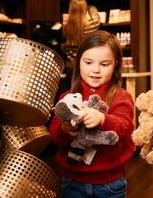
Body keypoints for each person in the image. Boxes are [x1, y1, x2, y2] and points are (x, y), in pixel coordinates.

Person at [48, 30, 135, 197]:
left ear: (116, 64)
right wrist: (66, 130)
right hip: (73, 181)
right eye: (88, 62)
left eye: (104, 64)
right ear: (78, 62)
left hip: (110, 184)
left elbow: (125, 126)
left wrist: (103, 118)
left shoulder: (121, 96)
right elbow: (55, 137)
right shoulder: (67, 98)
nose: (95, 70)